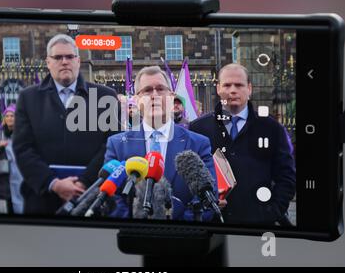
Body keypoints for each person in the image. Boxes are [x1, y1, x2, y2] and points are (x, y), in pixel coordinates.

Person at [13, 34, 119, 214]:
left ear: (78, 61)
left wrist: (84, 181)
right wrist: (53, 183)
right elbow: (23, 148)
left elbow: (111, 145)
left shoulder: (105, 96)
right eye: (58, 57)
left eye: (70, 57)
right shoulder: (28, 98)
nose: (64, 62)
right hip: (42, 200)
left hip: (93, 198)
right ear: (48, 62)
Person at [104, 66, 218, 221]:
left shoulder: (198, 144)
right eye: (147, 90)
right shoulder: (117, 144)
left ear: (171, 96)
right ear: (136, 100)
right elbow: (111, 199)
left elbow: (208, 198)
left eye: (160, 89)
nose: (154, 95)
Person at [190, 63, 296, 225]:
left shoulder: (272, 128)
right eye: (227, 85)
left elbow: (286, 176)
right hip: (213, 226)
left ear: (249, 89)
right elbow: (189, 177)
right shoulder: (198, 128)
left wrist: (272, 211)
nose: (233, 90)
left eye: (239, 85)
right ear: (218, 88)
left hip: (257, 225)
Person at [0, 104, 24, 214]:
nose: (9, 118)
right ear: (4, 118)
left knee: (22, 195)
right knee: (9, 198)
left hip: (20, 170)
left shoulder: (22, 132)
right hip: (6, 171)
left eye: (12, 116)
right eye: (7, 116)